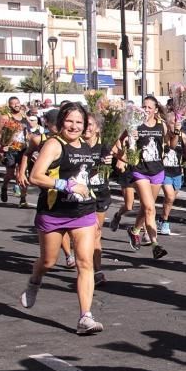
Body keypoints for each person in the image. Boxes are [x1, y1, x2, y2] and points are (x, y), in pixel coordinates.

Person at [19, 102, 103, 335]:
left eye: (79, 122)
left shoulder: (85, 146)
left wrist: (94, 210)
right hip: (54, 212)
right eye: (70, 121)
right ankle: (35, 280)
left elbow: (84, 179)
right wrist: (65, 185)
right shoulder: (54, 145)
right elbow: (36, 176)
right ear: (61, 122)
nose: (74, 126)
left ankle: (85, 317)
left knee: (85, 263)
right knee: (48, 261)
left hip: (82, 212)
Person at [121, 96, 168, 260]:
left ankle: (134, 230)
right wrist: (129, 143)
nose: (146, 109)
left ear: (156, 110)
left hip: (157, 171)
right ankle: (155, 244)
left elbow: (172, 144)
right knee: (149, 208)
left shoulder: (162, 125)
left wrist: (176, 130)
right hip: (140, 170)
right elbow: (121, 143)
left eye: (149, 107)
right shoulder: (135, 124)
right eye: (144, 107)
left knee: (146, 207)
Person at [84, 116, 111, 286]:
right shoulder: (75, 145)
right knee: (87, 234)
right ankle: (85, 264)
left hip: (100, 193)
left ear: (97, 128)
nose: (87, 128)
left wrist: (113, 160)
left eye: (90, 125)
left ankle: (96, 269)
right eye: (84, 125)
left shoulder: (104, 146)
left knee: (96, 233)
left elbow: (122, 158)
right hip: (80, 195)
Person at [159, 114, 186, 236]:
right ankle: (165, 222)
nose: (174, 125)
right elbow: (171, 145)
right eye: (172, 123)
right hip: (165, 170)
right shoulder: (163, 137)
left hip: (177, 171)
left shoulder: (184, 136)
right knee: (170, 197)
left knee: (170, 200)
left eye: (177, 123)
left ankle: (161, 218)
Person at [0, 95, 30, 208]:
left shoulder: (24, 117)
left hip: (23, 150)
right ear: (9, 105)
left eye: (18, 102)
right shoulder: (6, 117)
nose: (16, 105)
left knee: (22, 174)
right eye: (13, 103)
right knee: (10, 174)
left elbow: (29, 132)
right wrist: (2, 147)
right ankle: (4, 186)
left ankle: (23, 198)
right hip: (11, 150)